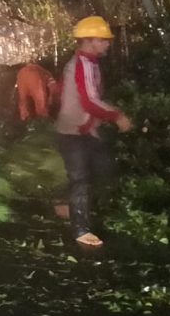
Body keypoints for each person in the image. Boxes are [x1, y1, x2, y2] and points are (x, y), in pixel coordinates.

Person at [54, 16, 134, 248]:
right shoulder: (81, 65)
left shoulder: (91, 63)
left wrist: (97, 123)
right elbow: (89, 101)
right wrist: (117, 116)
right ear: (89, 41)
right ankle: (80, 230)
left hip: (85, 131)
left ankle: (64, 204)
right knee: (80, 179)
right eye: (103, 39)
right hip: (72, 132)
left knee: (104, 170)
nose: (108, 43)